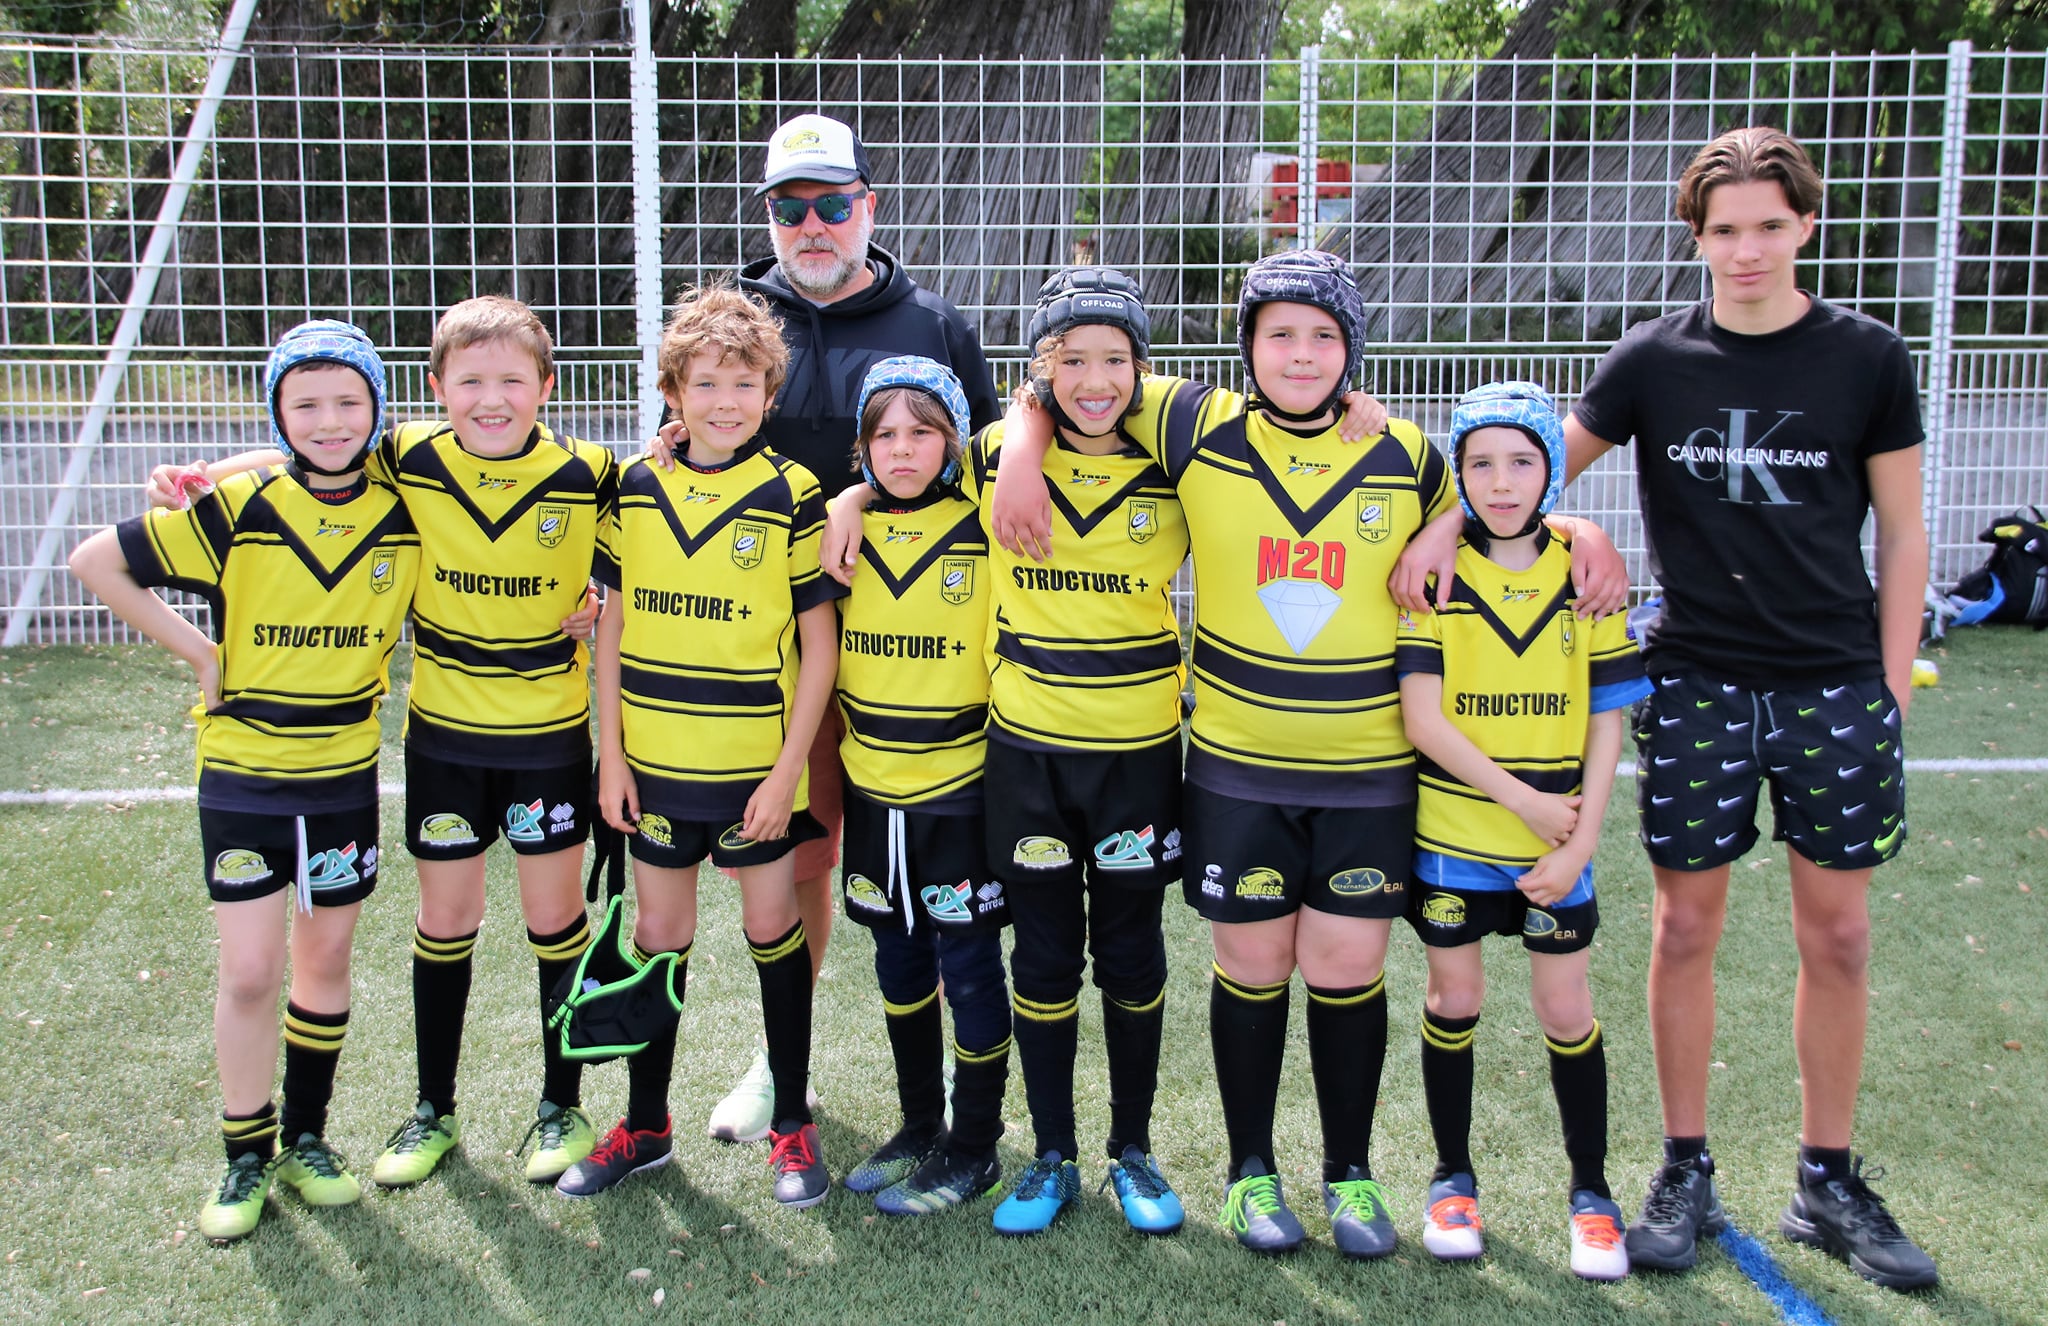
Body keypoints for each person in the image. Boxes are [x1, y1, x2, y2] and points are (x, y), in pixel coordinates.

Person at [1399, 126, 1936, 1291]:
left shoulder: (1866, 357)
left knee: (1838, 936)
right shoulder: (1653, 357)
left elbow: (1901, 532)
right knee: (1684, 930)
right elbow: (1535, 471)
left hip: (1832, 681)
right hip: (1695, 679)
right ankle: (1682, 1168)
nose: (1746, 251)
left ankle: (1826, 1176)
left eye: (1768, 226)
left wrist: (1889, 689)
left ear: (1804, 226)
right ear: (1693, 236)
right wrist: (1470, 523)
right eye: (1723, 230)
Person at [987, 251, 1438, 1258]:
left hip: (1365, 770)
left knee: (1344, 967)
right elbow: (1056, 373)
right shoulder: (1196, 423)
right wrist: (1020, 445)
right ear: (1245, 348)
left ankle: (1349, 1175)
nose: (1300, 354)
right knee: (1245, 964)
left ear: (1353, 353)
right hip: (1230, 767)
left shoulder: (1405, 452)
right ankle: (1245, 1174)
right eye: (1278, 335)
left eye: (1323, 337)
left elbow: (1485, 501)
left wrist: (1455, 532)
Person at [144, 297, 616, 1189]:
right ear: (436, 389)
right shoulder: (408, 456)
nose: (491, 399)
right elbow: (310, 453)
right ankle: (433, 1109)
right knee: (446, 921)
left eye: (512, 381)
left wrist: (598, 606)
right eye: (469, 381)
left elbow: (652, 522)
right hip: (442, 739)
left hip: (548, 740)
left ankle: (563, 1104)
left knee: (555, 923)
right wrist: (200, 476)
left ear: (547, 386)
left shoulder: (589, 472)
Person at [822, 270, 1197, 1235]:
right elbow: (914, 460)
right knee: (1041, 960)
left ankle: (1132, 1149)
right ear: (1038, 370)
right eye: (1069, 360)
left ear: (1142, 367)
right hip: (1025, 758)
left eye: (1115, 359)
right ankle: (1050, 1155)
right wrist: (851, 497)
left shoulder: (1180, 458)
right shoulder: (991, 455)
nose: (1094, 380)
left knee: (1131, 954)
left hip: (1137, 756)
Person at [666, 112, 1004, 1144]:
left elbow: (992, 450)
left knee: (934, 881)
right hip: (788, 647)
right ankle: (784, 1065)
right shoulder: (737, 326)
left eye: (831, 202)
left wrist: (855, 491)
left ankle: (940, 1097)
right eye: (789, 207)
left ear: (869, 205)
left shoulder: (934, 324)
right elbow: (691, 453)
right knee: (802, 860)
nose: (811, 225)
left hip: (928, 652)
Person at [69, 321, 421, 1241]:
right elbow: (96, 562)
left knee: (326, 961)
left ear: (378, 408)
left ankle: (306, 1139)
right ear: (277, 413)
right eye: (305, 405)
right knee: (254, 971)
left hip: (342, 776)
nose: (329, 421)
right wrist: (202, 653)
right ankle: (244, 1154)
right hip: (243, 779)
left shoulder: (405, 507)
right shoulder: (238, 510)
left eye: (349, 401)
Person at [561, 282, 839, 1207]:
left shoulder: (791, 493)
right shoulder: (634, 489)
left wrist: (788, 772)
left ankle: (792, 1124)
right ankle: (646, 1126)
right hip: (655, 769)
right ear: (673, 392)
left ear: (770, 393)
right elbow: (610, 624)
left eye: (745, 383)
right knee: (658, 935)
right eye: (707, 383)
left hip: (754, 771)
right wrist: (612, 755)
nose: (726, 401)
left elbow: (820, 646)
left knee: (772, 930)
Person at [1394, 382, 1650, 1281]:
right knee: (1453, 998)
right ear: (1458, 474)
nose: (1501, 482)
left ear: (1552, 472)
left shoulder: (1587, 575)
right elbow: (1423, 720)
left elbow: (1608, 721)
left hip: (1557, 851)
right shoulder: (1434, 576)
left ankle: (1592, 1196)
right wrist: (1527, 805)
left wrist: (1577, 843)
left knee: (1566, 1010)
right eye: (1480, 464)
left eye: (1522, 461)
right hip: (1454, 839)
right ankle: (1451, 1182)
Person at [827, 356, 1012, 1215]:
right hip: (872, 789)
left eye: (923, 432)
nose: (902, 450)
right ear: (863, 447)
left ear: (954, 440)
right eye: (884, 434)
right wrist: (850, 499)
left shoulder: (985, 523)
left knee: (968, 969)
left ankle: (975, 1145)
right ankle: (918, 1123)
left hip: (960, 792)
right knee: (897, 963)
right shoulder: (843, 533)